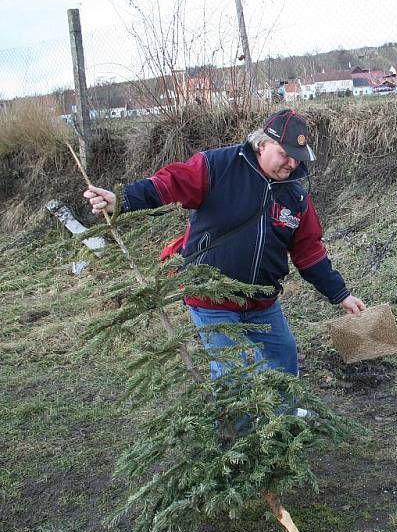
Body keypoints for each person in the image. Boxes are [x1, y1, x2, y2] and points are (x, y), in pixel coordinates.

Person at [84, 108, 365, 387]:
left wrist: (340, 294)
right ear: (263, 143)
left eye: (297, 157)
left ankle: (285, 423)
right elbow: (170, 184)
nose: (292, 164)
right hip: (211, 299)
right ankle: (237, 431)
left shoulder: (295, 195)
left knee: (283, 359)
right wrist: (123, 199)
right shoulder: (218, 166)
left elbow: (309, 252)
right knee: (234, 374)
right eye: (285, 154)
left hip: (262, 301)